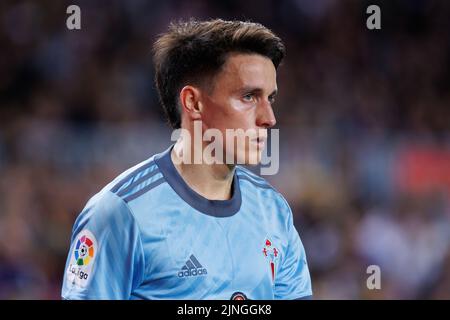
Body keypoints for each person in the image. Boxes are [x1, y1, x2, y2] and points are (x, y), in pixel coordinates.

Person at [61, 19, 312, 300]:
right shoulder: (120, 213)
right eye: (249, 96)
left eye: (271, 99)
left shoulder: (274, 211)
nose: (269, 118)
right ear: (193, 103)